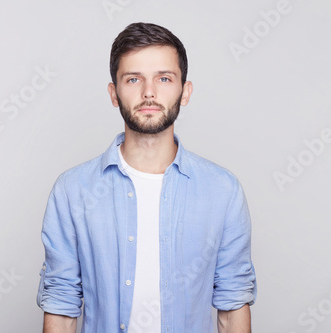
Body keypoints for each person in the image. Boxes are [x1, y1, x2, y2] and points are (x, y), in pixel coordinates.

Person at [37, 22, 257, 333]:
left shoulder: (223, 191)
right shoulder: (72, 191)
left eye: (164, 78)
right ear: (114, 93)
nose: (149, 92)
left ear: (185, 91)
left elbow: (232, 306)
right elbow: (61, 306)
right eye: (133, 79)